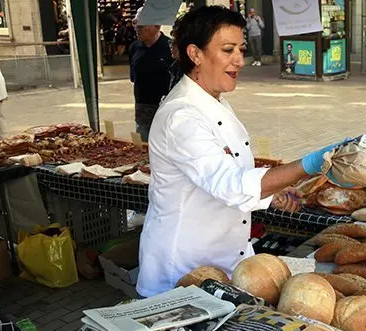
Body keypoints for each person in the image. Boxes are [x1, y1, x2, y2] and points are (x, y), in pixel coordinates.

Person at [137, 6, 342, 297]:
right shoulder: (180, 116)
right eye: (228, 50)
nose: (240, 61)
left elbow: (229, 173)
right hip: (182, 269)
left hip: (227, 261)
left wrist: (271, 195)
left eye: (241, 49)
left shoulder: (214, 101)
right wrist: (309, 165)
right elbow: (230, 185)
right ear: (195, 54)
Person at [128, 8, 173, 142]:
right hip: (142, 111)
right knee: (143, 151)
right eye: (134, 23)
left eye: (141, 25)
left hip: (167, 112)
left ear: (157, 25)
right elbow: (133, 78)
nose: (137, 28)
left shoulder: (170, 48)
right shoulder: (134, 47)